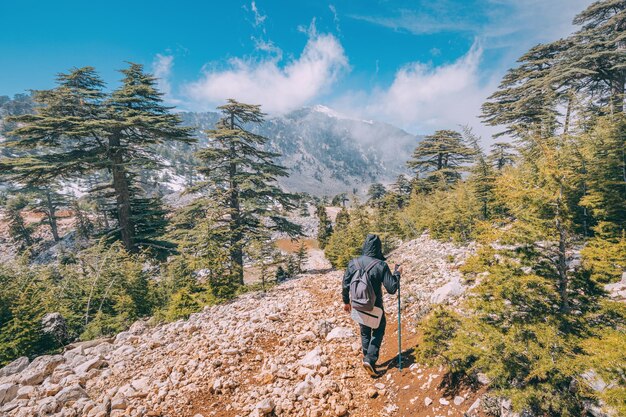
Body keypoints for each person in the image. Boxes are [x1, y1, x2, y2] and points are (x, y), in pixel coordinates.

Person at [342, 234, 402, 376]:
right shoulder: (381, 265)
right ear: (378, 248)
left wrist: (346, 302)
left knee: (364, 331)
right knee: (379, 329)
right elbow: (392, 288)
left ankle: (366, 358)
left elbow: (345, 285)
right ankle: (370, 359)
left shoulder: (353, 263)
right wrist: (397, 274)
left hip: (357, 304)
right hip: (375, 306)